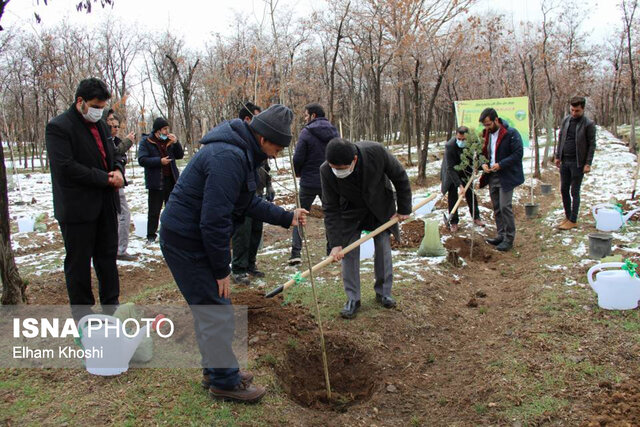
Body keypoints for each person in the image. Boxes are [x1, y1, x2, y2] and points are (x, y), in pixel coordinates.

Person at [159, 104, 308, 403]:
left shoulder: (241, 152)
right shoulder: (228, 157)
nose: (276, 155)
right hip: (185, 240)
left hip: (194, 237)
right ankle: (224, 382)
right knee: (217, 311)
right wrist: (221, 270)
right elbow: (213, 220)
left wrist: (286, 216)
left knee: (211, 307)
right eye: (277, 148)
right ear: (264, 138)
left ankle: (215, 370)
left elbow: (247, 203)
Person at [45, 78, 125, 320]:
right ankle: (84, 317)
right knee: (79, 264)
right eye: (94, 105)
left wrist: (118, 169)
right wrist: (105, 178)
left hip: (105, 205)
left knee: (107, 259)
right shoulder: (59, 127)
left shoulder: (101, 125)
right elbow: (66, 167)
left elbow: (112, 154)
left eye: (102, 107)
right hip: (78, 208)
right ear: (80, 101)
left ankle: (112, 308)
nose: (99, 111)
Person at [321, 138, 412, 319]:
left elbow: (400, 176)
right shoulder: (326, 170)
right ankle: (353, 299)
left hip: (379, 205)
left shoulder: (376, 152)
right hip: (349, 210)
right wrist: (336, 243)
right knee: (349, 252)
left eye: (342, 168)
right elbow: (330, 208)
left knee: (383, 247)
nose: (337, 172)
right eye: (334, 168)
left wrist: (403, 209)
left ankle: (384, 292)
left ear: (354, 160)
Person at [288, 103, 339, 265]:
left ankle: (296, 253)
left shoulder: (306, 133)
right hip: (329, 181)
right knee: (331, 215)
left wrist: (298, 172)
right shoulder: (334, 131)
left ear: (313, 115)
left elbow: (297, 158)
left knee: (299, 215)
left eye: (305, 115)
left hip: (308, 182)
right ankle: (332, 248)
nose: (304, 118)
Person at [231, 102, 276, 285]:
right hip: (242, 197)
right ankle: (238, 269)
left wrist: (270, 186)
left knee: (256, 231)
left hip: (258, 193)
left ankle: (250, 264)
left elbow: (265, 167)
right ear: (247, 119)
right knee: (243, 232)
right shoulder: (239, 143)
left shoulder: (259, 143)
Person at [478, 108, 525, 252]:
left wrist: (501, 164)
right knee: (497, 207)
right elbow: (481, 153)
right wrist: (483, 164)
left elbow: (518, 154)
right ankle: (501, 234)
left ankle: (509, 239)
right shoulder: (486, 135)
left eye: (488, 124)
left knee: (505, 207)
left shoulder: (511, 134)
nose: (486, 128)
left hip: (506, 176)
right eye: (484, 125)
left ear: (496, 120)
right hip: (492, 176)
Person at [137, 117, 184, 243]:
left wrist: (176, 143)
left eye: (167, 129)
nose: (166, 132)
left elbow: (180, 155)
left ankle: (171, 233)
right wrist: (159, 161)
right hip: (156, 181)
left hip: (171, 179)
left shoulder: (169, 141)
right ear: (157, 130)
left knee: (171, 208)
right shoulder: (146, 141)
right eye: (164, 129)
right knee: (154, 210)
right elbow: (142, 160)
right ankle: (151, 236)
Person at [554, 96, 596, 230]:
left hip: (578, 162)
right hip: (565, 161)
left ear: (583, 109)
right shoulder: (566, 120)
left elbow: (591, 145)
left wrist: (588, 163)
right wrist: (557, 156)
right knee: (563, 189)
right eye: (572, 110)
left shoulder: (588, 124)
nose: (574, 113)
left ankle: (573, 219)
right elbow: (561, 138)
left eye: (577, 111)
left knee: (574, 191)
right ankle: (568, 216)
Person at [440, 126, 484, 232]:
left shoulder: (473, 142)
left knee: (470, 193)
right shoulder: (450, 146)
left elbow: (479, 154)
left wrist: (477, 166)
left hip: (465, 169)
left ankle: (476, 217)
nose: (461, 141)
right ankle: (453, 222)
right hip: (450, 170)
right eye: (459, 139)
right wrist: (459, 185)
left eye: (463, 139)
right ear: (456, 136)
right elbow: (450, 168)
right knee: (453, 195)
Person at [109, 116, 137, 261]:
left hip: (116, 182)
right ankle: (119, 249)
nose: (116, 128)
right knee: (123, 215)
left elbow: (119, 157)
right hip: (110, 182)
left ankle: (118, 248)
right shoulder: (105, 140)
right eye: (113, 126)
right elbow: (113, 154)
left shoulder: (115, 141)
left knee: (121, 215)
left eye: (117, 126)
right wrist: (127, 142)